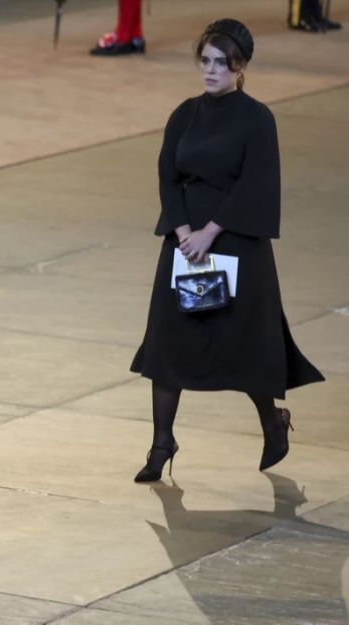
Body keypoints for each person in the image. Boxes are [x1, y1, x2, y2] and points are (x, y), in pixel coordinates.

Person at [129, 19, 324, 483]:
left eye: (222, 62)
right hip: (184, 246)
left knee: (246, 346)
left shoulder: (257, 119)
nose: (211, 70)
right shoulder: (184, 114)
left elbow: (257, 183)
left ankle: (272, 423)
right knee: (168, 344)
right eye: (206, 61)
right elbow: (167, 176)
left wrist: (210, 232)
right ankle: (162, 443)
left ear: (241, 67)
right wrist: (182, 231)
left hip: (235, 245)